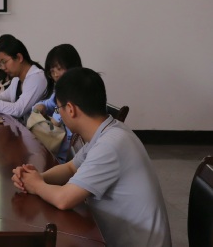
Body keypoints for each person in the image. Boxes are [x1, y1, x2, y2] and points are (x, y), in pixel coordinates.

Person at [12, 68, 171, 247]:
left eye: (58, 108)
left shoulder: (110, 144)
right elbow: (71, 168)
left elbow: (64, 199)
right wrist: (36, 177)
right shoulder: (107, 131)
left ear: (70, 109)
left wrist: (36, 185)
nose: (59, 113)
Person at [31, 44, 83, 162]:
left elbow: (60, 111)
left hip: (71, 155)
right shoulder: (60, 90)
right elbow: (51, 104)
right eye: (52, 71)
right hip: (62, 150)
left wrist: (55, 117)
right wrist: (41, 106)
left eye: (59, 69)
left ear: (72, 66)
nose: (55, 75)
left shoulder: (79, 89)